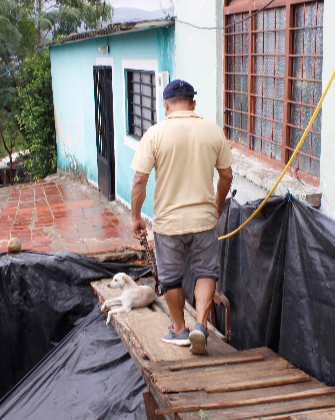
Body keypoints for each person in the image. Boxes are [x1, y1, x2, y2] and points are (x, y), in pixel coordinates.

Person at [129, 79, 234, 355]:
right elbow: (226, 176)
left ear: (166, 105)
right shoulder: (213, 132)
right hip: (204, 219)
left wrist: (136, 217)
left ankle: (179, 330)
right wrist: (218, 204)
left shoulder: (154, 134)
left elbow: (140, 180)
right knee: (206, 272)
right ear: (194, 105)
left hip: (169, 223)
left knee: (172, 278)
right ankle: (200, 325)